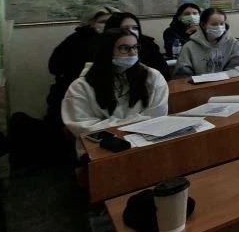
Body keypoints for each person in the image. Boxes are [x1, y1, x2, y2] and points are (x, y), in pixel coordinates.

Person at [61, 28, 168, 156]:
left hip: (144, 141)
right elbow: (82, 127)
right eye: (124, 48)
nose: (132, 53)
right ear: (106, 51)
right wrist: (134, 121)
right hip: (100, 148)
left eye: (135, 47)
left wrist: (118, 125)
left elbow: (157, 118)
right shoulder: (81, 86)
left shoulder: (152, 77)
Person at [47, 5, 122, 135]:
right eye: (102, 22)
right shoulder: (75, 41)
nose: (107, 25)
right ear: (91, 23)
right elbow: (54, 67)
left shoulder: (123, 40)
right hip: (78, 93)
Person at [173, 7, 239, 77]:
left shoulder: (233, 43)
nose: (219, 27)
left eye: (222, 24)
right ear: (203, 25)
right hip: (199, 83)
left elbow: (236, 68)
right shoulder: (189, 47)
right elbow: (183, 74)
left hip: (226, 82)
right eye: (214, 24)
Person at [105, 12, 171, 80]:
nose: (131, 31)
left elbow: (164, 72)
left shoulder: (149, 45)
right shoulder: (104, 48)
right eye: (125, 28)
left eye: (135, 28)